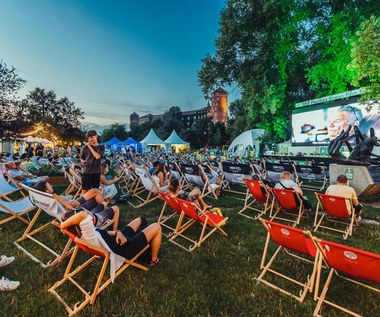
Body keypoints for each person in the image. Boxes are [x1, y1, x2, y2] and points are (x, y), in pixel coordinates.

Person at [60, 210, 162, 265]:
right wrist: (62, 225)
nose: (86, 214)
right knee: (157, 226)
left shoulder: (85, 234)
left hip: (117, 240)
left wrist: (117, 233)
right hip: (125, 250)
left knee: (141, 219)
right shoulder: (87, 235)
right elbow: (82, 214)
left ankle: (145, 242)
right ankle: (153, 260)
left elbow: (103, 234)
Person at [34, 180, 120, 230]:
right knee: (95, 193)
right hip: (74, 211)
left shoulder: (46, 200)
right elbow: (66, 207)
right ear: (47, 191)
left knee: (95, 194)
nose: (51, 185)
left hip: (73, 207)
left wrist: (70, 199)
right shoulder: (53, 199)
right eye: (48, 185)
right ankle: (105, 208)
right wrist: (71, 202)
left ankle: (104, 206)